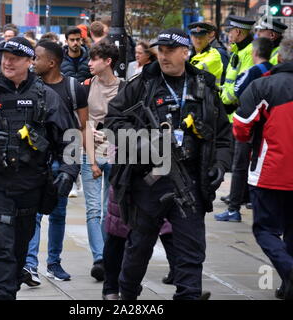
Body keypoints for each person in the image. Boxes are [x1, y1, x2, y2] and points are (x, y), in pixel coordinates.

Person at [105, 28, 231, 300]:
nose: (163, 56)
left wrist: (220, 165)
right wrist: (146, 145)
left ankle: (189, 294)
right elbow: (113, 121)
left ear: (186, 52)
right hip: (147, 182)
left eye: (170, 50)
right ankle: (126, 296)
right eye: (160, 50)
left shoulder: (203, 86)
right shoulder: (142, 84)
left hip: (190, 180)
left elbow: (223, 135)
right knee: (138, 249)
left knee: (191, 252)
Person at [0, 37, 79, 300]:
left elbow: (70, 137)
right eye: (4, 56)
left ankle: (9, 287)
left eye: (15, 58)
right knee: (2, 249)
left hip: (32, 187)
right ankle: (1, 294)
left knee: (19, 252)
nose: (7, 62)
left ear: (30, 61)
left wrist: (68, 171)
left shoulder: (46, 96)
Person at [21, 40, 88, 286]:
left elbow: (80, 128)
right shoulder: (31, 87)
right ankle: (30, 264)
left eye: (36, 58)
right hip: (37, 161)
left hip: (61, 161)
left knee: (58, 214)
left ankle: (53, 262)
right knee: (34, 214)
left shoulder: (73, 87)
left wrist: (75, 164)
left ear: (51, 62)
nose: (32, 62)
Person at [232, 37, 293, 300]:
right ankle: (287, 286)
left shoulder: (263, 85)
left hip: (270, 171)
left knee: (265, 230)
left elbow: (241, 126)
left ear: (279, 57)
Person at [215, 37, 273, 222]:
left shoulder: (253, 71)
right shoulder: (273, 70)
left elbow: (235, 92)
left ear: (254, 53)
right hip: (267, 126)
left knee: (239, 166)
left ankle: (233, 209)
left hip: (248, 124)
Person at [82, 40, 123, 281]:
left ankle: (109, 257)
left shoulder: (125, 87)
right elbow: (81, 122)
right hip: (91, 152)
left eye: (94, 59)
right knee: (93, 209)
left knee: (111, 210)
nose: (90, 63)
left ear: (108, 62)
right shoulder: (85, 86)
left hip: (117, 153)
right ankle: (100, 259)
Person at [188, 22, 223, 87]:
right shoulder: (188, 53)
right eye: (195, 37)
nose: (198, 40)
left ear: (208, 37)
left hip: (209, 95)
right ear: (191, 37)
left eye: (202, 37)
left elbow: (193, 73)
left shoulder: (214, 55)